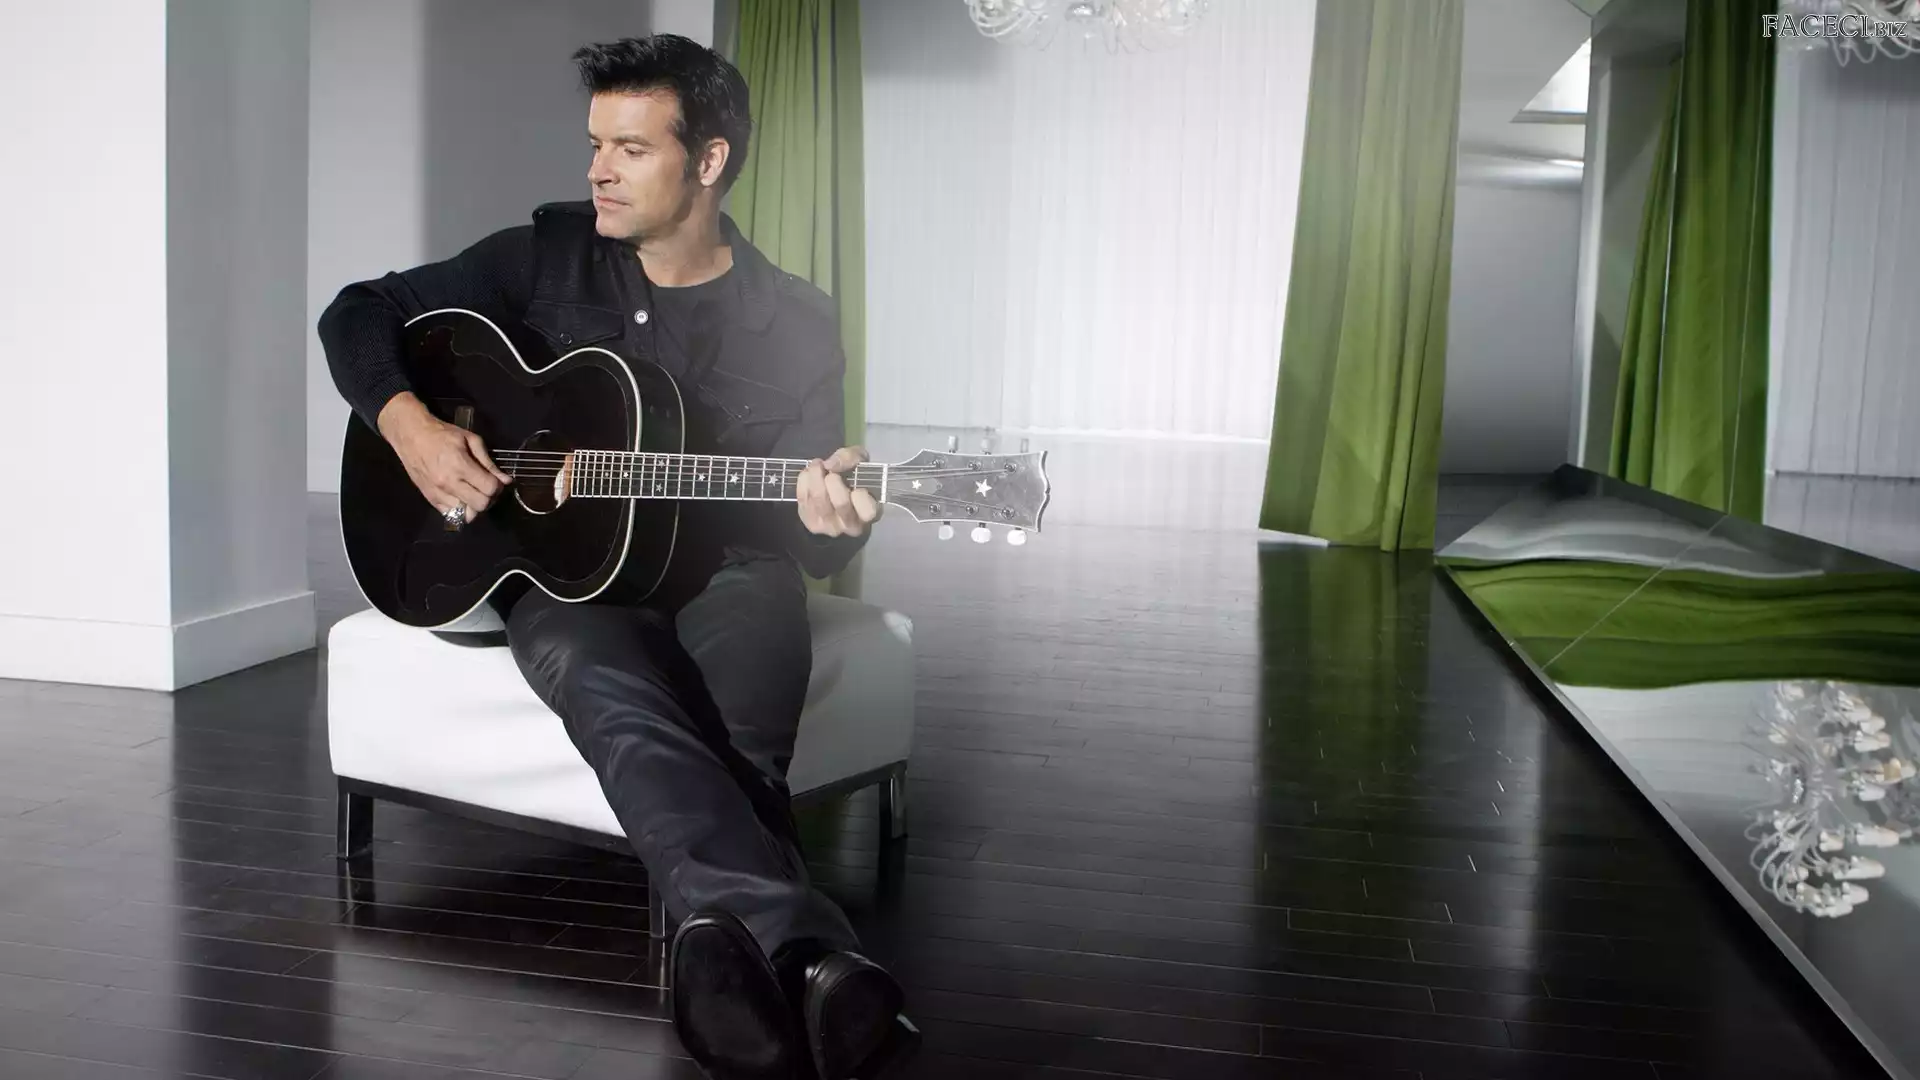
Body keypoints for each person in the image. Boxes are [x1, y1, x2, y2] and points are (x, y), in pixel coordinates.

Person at [318, 34, 915, 1080]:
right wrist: (410, 428)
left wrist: (837, 511)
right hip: (562, 576)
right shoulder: (545, 256)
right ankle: (814, 962)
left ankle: (746, 972)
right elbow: (356, 313)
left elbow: (804, 519)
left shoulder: (794, 318)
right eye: (596, 144)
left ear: (709, 160)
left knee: (743, 728)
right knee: (614, 691)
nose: (598, 169)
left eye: (631, 149)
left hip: (731, 566)